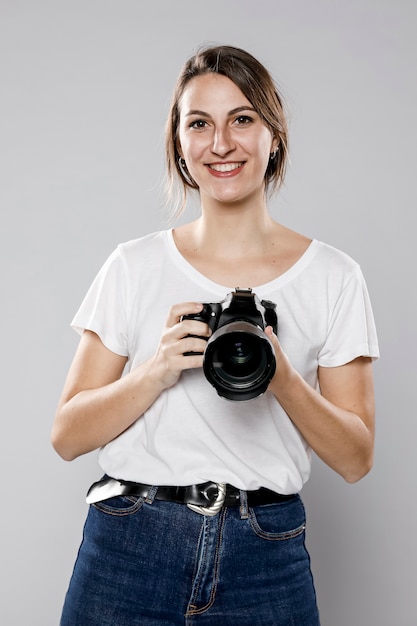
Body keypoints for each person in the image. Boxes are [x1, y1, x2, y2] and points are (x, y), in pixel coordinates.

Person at [51, 45, 379, 625]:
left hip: (266, 551)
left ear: (272, 135)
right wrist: (156, 371)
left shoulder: (334, 276)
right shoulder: (133, 265)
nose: (221, 143)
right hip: (130, 544)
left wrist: (281, 377)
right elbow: (67, 436)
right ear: (180, 145)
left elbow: (356, 459)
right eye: (199, 123)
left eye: (242, 119)